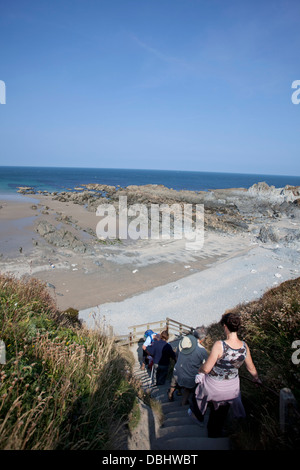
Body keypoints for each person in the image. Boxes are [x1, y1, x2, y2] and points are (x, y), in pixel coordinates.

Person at [191, 311, 261, 437]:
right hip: (232, 389)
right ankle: (215, 432)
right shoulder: (245, 346)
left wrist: (200, 371)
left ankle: (197, 415)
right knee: (221, 410)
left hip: (214, 387)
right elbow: (251, 368)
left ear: (225, 327)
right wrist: (256, 379)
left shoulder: (220, 345)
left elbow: (206, 369)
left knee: (198, 391)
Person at [168, 326, 208, 404]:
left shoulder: (183, 343)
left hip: (177, 370)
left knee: (174, 382)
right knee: (188, 388)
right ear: (203, 338)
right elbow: (205, 366)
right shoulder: (202, 350)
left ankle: (170, 394)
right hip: (189, 376)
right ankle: (184, 402)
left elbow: (177, 355)